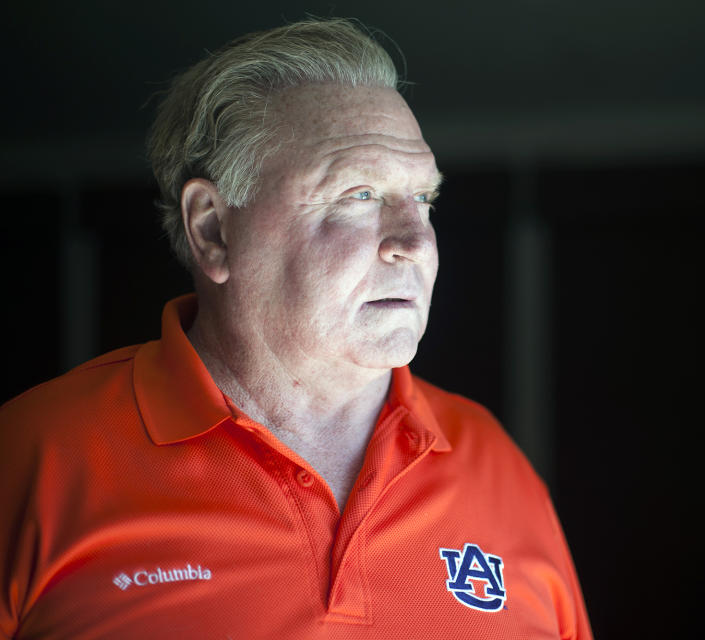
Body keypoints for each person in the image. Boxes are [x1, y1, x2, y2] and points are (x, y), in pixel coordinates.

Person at [0, 18, 591, 639]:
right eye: (359, 195)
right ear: (212, 230)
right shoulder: (35, 457)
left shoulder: (496, 467)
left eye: (424, 200)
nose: (415, 242)